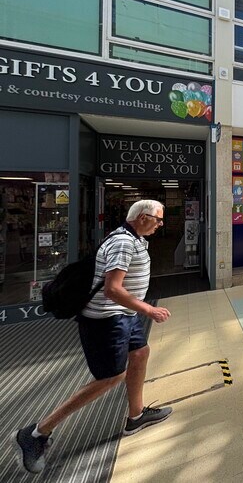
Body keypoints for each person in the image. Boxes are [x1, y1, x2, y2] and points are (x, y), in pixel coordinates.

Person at [14, 200, 172, 475]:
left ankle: (136, 415)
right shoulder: (123, 242)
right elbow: (112, 289)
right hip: (107, 319)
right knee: (110, 377)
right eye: (157, 219)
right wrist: (149, 309)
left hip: (126, 314)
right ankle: (36, 433)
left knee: (140, 353)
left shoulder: (135, 239)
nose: (160, 224)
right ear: (142, 217)